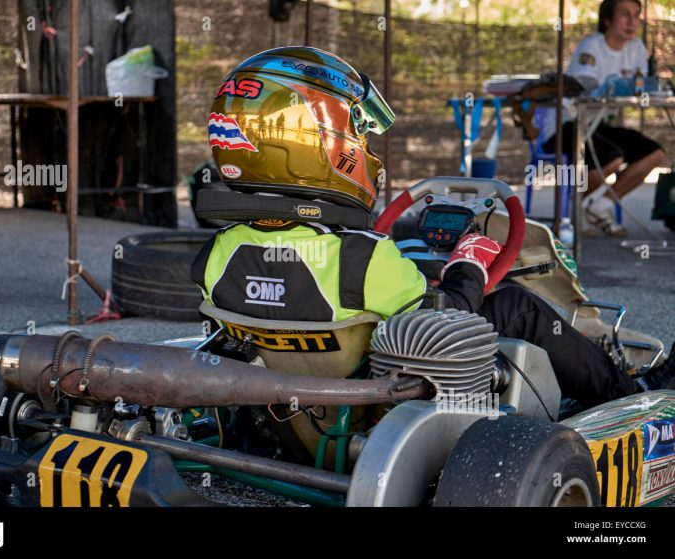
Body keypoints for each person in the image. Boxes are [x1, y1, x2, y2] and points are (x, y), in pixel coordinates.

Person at [193, 46, 671, 409]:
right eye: (358, 131)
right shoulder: (361, 258)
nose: (364, 145)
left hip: (287, 416)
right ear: (321, 143)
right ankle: (624, 394)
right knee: (514, 306)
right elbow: (445, 322)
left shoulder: (218, 253)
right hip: (373, 413)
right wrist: (469, 265)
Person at [542, 0, 665, 236]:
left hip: (601, 123)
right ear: (607, 19)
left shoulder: (637, 48)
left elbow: (640, 87)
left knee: (654, 154)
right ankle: (570, 212)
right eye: (625, 14)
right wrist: (612, 87)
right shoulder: (592, 47)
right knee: (612, 157)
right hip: (568, 122)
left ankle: (600, 207)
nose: (632, 21)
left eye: (636, 15)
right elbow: (585, 89)